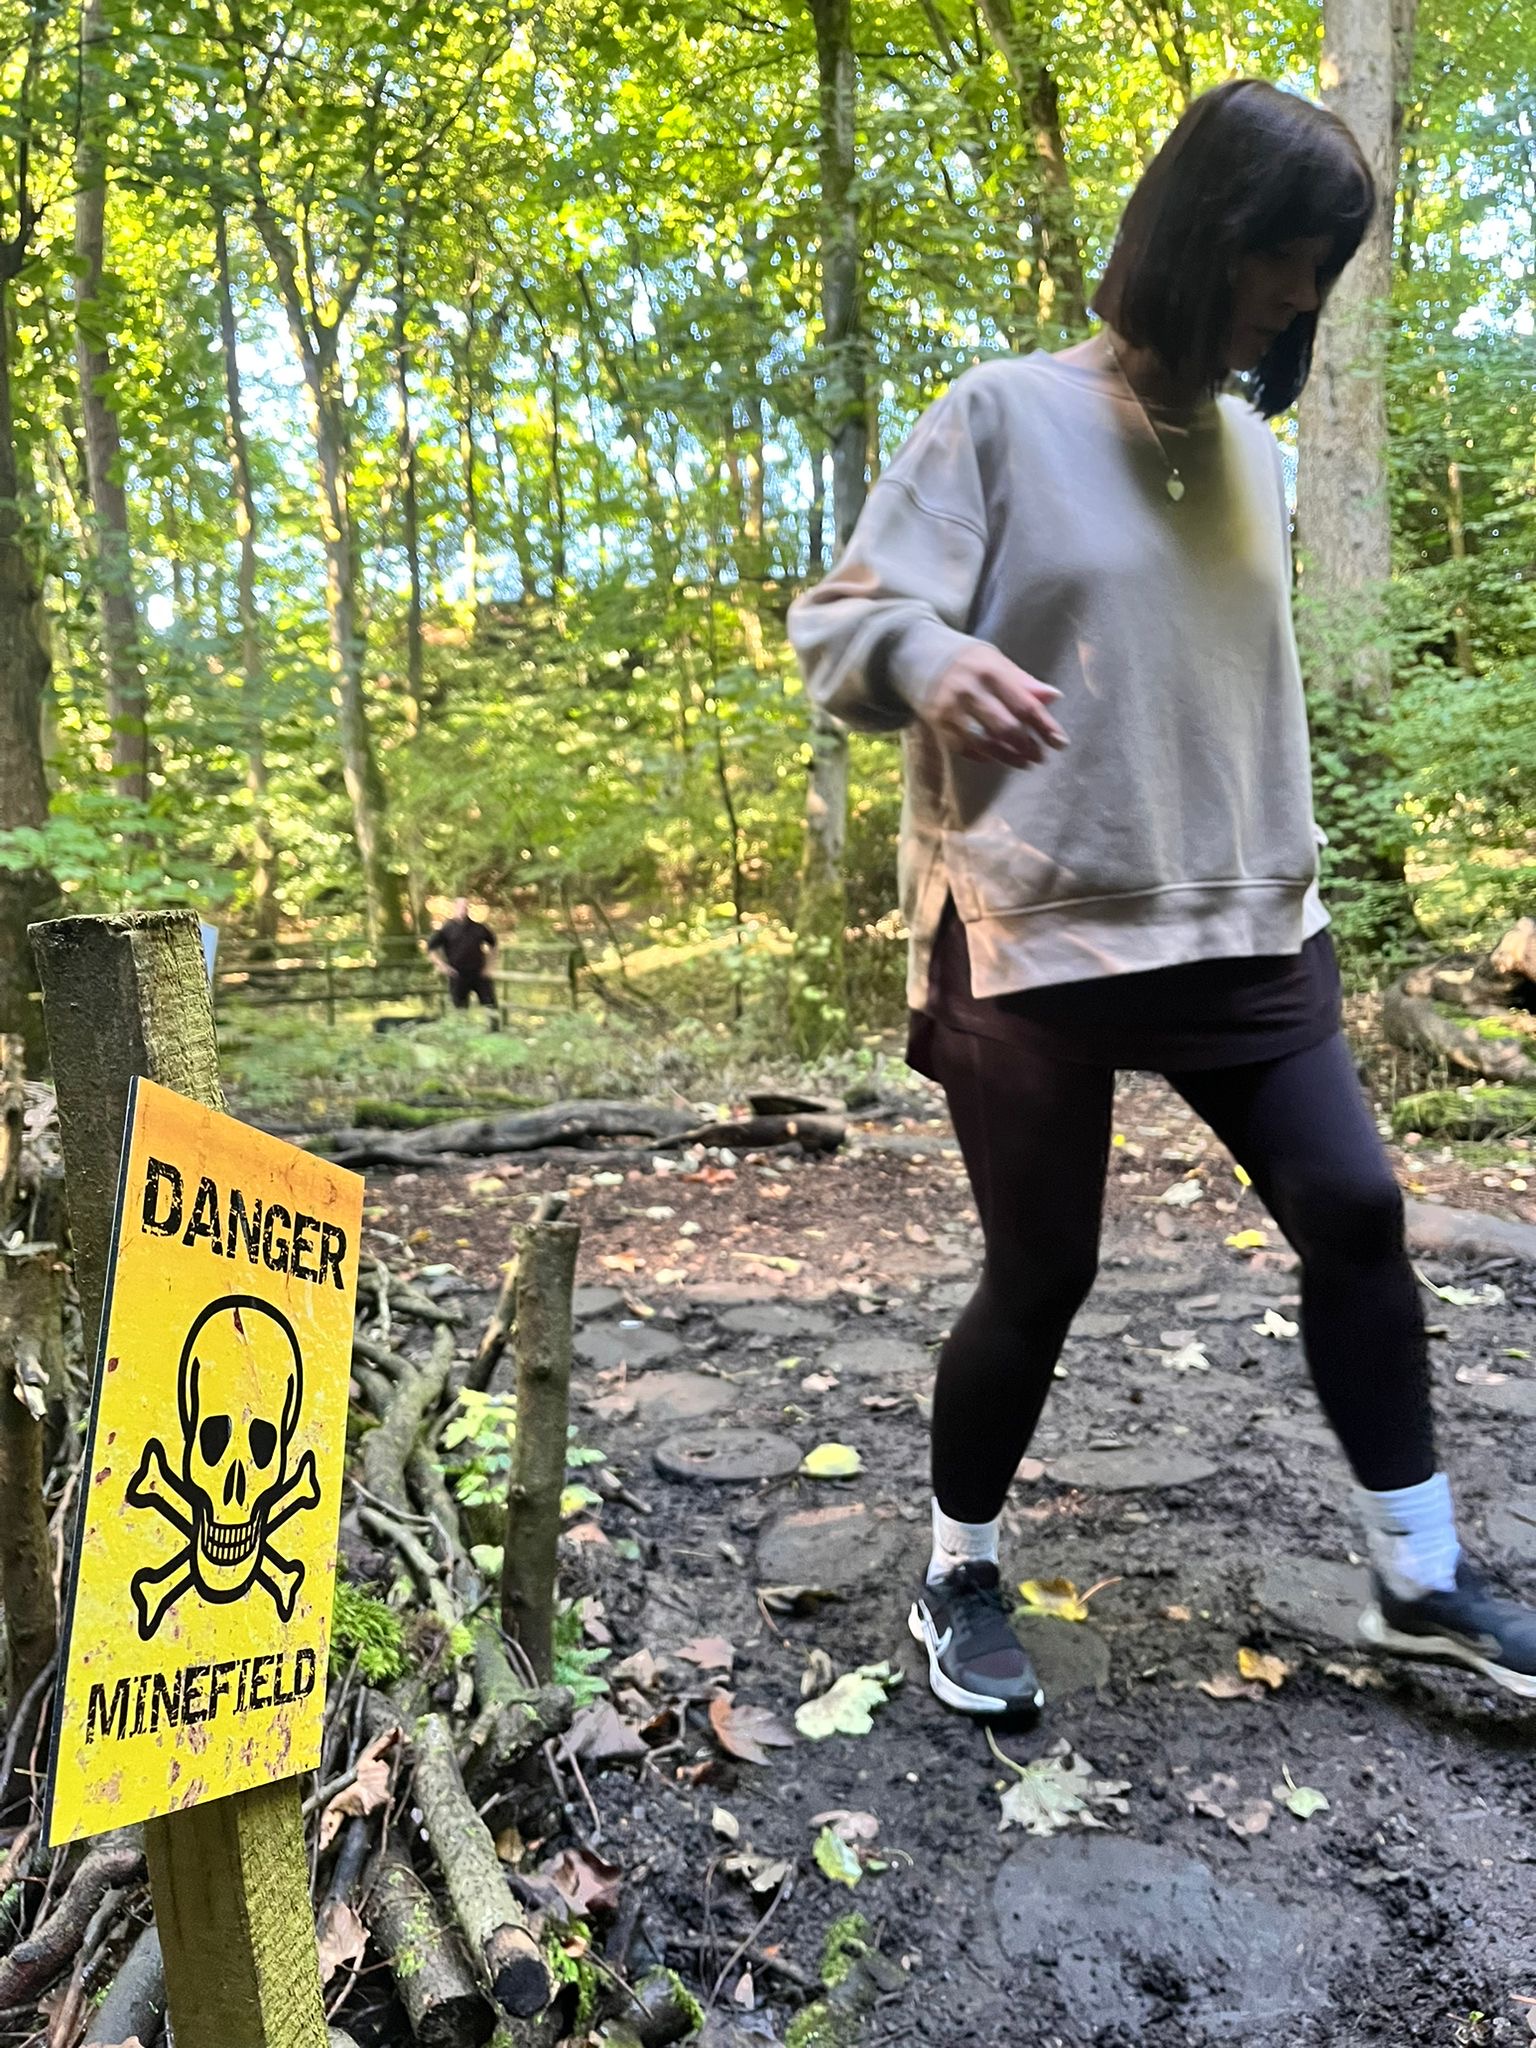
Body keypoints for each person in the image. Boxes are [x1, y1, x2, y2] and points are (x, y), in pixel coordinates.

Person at [788, 77, 1536, 1724]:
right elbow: (838, 628)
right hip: (1032, 922)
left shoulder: (1256, 451)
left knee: (1357, 1211)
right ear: (1204, 233)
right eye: (1285, 255)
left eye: (1322, 267)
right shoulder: (999, 414)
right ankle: (957, 1568)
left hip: (1247, 917)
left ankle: (1418, 1579)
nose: (1300, 294)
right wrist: (930, 656)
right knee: (1041, 1269)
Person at [426, 895, 499, 1015]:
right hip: (457, 973)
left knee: (490, 1004)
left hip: (479, 972)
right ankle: (462, 1025)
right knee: (460, 1008)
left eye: (465, 906)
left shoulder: (479, 928)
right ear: (454, 908)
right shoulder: (446, 929)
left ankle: (494, 1025)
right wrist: (442, 966)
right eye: (460, 906)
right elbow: (431, 949)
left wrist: (490, 966)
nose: (463, 909)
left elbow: (493, 945)